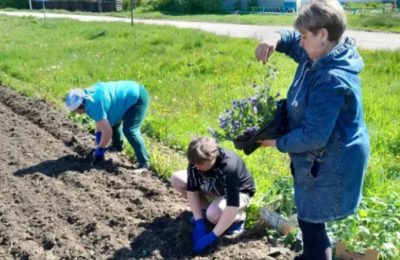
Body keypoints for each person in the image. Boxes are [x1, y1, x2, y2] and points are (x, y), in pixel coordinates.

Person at [255, 0, 370, 259]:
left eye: (304, 36)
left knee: (311, 219)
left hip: (333, 158)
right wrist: (273, 39)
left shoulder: (330, 78)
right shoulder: (318, 52)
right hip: (318, 155)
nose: (300, 41)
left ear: (323, 34)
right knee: (310, 218)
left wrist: (277, 141)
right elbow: (288, 39)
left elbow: (313, 136)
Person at [170, 136, 256, 254]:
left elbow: (232, 205)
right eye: (194, 163)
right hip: (214, 186)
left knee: (213, 215)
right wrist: (199, 220)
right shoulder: (196, 160)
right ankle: (209, 211)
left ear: (212, 157)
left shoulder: (229, 167)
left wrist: (213, 235)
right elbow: (192, 190)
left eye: (200, 164)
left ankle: (239, 218)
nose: (196, 167)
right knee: (176, 179)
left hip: (239, 192)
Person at [65, 80, 151, 170]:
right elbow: (100, 122)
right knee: (111, 122)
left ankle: (144, 163)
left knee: (130, 130)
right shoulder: (88, 96)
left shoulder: (92, 106)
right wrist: (99, 140)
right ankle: (117, 147)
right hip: (127, 94)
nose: (77, 114)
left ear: (80, 105)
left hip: (137, 98)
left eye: (75, 111)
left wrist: (100, 148)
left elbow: (107, 132)